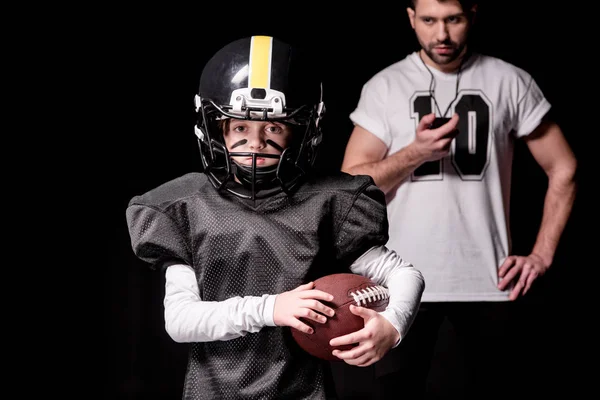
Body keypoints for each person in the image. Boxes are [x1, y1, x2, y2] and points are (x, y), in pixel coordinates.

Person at [125, 35, 425, 400]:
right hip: (213, 391)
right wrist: (271, 308)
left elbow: (404, 274)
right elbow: (180, 320)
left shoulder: (328, 199)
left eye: (273, 127)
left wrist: (392, 326)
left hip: (302, 390)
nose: (255, 141)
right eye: (240, 127)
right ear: (215, 129)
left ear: (301, 131)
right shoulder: (185, 206)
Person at [334, 0, 578, 398]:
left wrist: (541, 254)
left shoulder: (509, 80)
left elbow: (563, 167)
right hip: (402, 286)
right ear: (411, 18)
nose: (442, 34)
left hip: (489, 283)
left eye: (454, 19)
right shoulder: (385, 85)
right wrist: (417, 152)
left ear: (473, 16)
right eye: (429, 20)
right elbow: (351, 183)